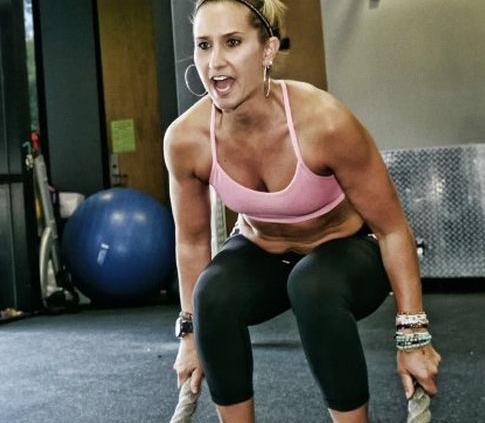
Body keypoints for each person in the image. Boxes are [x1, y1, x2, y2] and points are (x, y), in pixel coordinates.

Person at [163, 0, 442, 422]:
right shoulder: (186, 139)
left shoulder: (324, 122)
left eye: (233, 43)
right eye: (203, 46)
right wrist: (190, 335)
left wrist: (413, 335)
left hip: (350, 248)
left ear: (268, 50)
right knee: (212, 294)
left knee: (312, 285)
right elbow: (192, 240)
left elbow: (392, 229)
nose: (215, 63)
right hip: (264, 250)